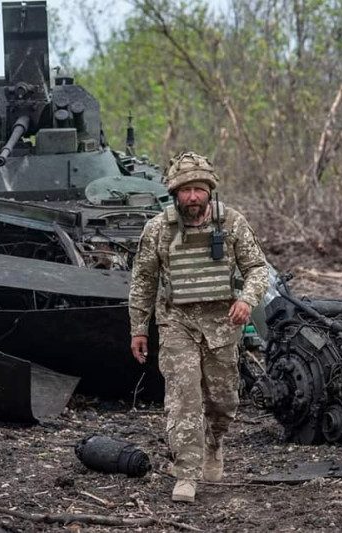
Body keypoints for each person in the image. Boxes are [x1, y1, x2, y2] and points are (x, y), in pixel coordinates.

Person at [128, 151, 269, 503]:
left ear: (210, 190)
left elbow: (258, 269)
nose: (192, 196)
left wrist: (247, 300)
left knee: (223, 401)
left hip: (222, 324)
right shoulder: (158, 229)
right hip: (177, 322)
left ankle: (214, 444)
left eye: (199, 189)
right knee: (183, 399)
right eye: (186, 189)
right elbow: (143, 281)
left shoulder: (232, 224)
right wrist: (139, 327)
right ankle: (186, 473)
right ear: (175, 192)